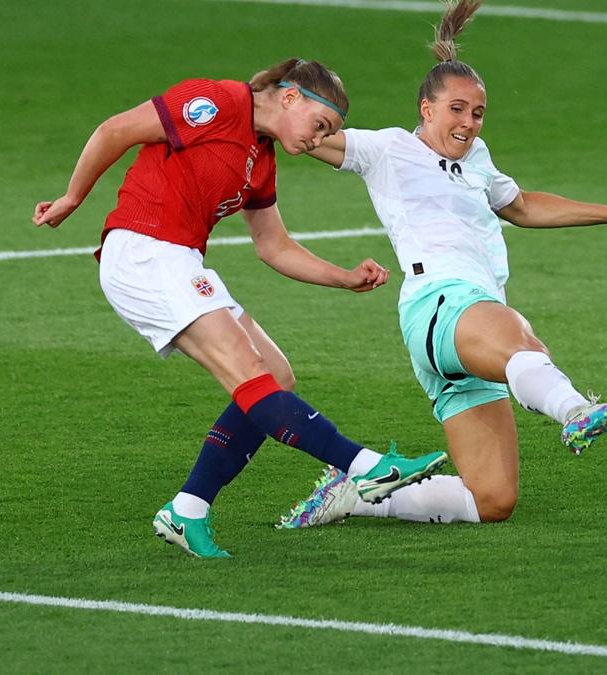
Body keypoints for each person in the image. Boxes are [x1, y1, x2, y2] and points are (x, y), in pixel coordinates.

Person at [276, 0, 607, 530]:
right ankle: (578, 412)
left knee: (491, 500)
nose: (468, 122)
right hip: (443, 303)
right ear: (427, 109)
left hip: (460, 337)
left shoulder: (478, 159)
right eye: (457, 109)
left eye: (478, 112)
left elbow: (524, 206)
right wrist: (258, 114)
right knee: (519, 339)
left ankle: (358, 494)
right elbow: (308, 135)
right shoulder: (388, 149)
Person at [32, 58, 447, 559]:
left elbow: (273, 246)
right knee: (251, 373)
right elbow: (115, 129)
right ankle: (365, 467)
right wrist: (73, 198)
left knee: (275, 374)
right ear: (290, 96)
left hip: (178, 258)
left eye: (329, 133)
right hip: (144, 250)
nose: (319, 140)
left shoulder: (263, 157)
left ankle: (187, 510)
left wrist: (344, 277)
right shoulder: (219, 102)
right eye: (320, 125)